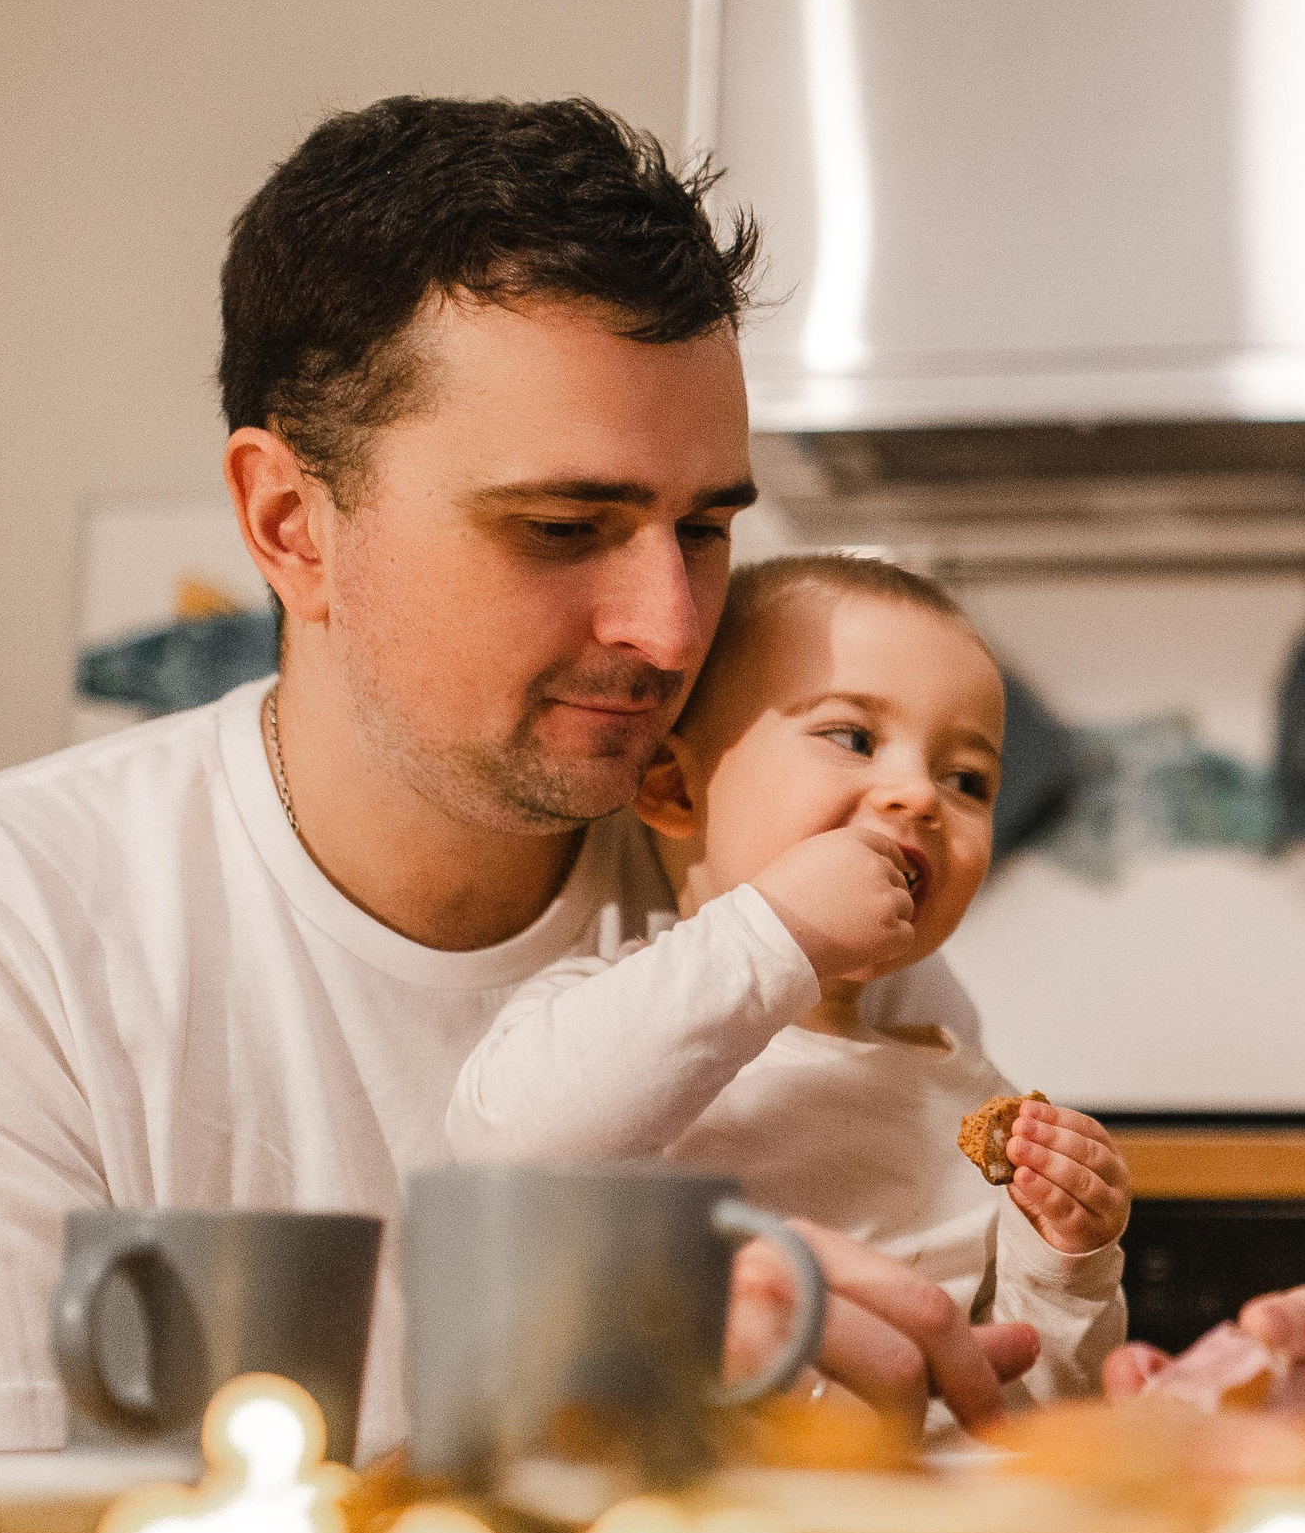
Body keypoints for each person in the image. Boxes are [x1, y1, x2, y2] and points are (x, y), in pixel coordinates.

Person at [0, 94, 1305, 1462]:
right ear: (293, 525)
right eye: (563, 527)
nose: (673, 627)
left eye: (705, 527)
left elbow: (980, 1409)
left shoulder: (776, 881)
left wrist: (1173, 1456)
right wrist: (600, 1405)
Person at [447, 555, 1130, 1426]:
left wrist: (1066, 1265)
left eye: (968, 781)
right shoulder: (612, 1009)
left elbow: (1028, 1415)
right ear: (673, 787)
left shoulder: (972, 1093)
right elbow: (513, 1146)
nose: (918, 793)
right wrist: (779, 927)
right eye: (852, 737)